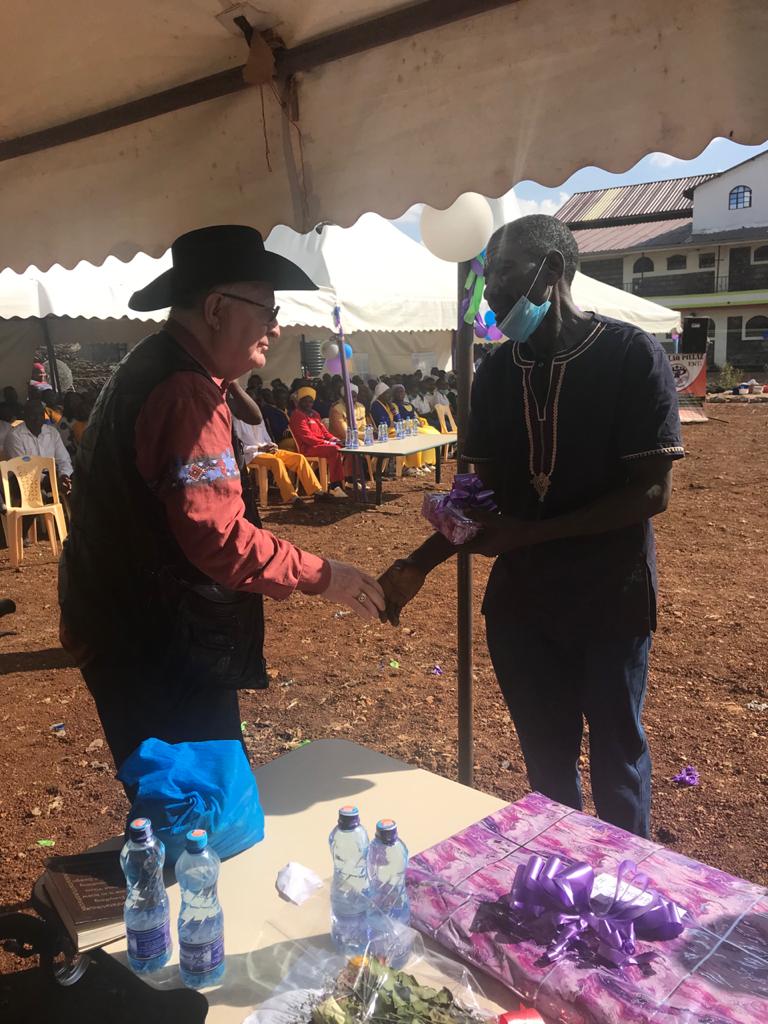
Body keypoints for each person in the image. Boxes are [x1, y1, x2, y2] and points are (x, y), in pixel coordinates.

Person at [379, 214, 684, 839]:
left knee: (617, 763)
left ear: (550, 271)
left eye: (502, 274)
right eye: (487, 277)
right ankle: (564, 886)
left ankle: (626, 893)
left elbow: (651, 493)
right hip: (523, 608)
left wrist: (528, 534)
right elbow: (480, 498)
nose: (489, 291)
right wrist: (419, 564)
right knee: (547, 768)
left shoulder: (630, 355)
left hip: (610, 597)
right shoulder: (495, 374)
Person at [59, 225, 384, 774]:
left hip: (121, 625)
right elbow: (220, 538)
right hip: (157, 645)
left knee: (180, 809)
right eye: (266, 310)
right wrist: (326, 575)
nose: (277, 328)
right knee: (201, 819)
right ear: (215, 309)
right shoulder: (185, 392)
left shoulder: (155, 364)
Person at [232, 412, 324, 507]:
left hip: (268, 451)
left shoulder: (258, 419)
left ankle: (317, 491)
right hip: (252, 454)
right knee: (277, 462)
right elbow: (238, 447)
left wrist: (272, 446)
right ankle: (292, 497)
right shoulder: (236, 421)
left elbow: (266, 439)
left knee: (299, 458)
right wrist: (258, 448)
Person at [289, 387, 348, 497]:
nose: (308, 404)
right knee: (334, 449)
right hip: (307, 448)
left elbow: (325, 433)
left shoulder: (315, 414)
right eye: (305, 401)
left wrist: (336, 440)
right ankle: (335, 486)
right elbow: (308, 438)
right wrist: (331, 444)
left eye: (310, 401)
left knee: (344, 447)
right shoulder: (297, 415)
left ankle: (345, 480)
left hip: (321, 445)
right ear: (300, 401)